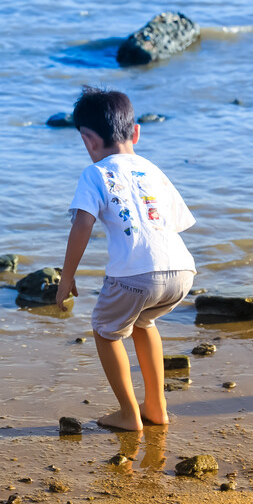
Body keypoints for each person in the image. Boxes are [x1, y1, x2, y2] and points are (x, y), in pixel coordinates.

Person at [56, 86, 196, 432]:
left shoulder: (96, 173)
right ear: (135, 132)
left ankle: (128, 413)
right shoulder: (152, 169)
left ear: (88, 141)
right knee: (144, 323)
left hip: (135, 276)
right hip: (182, 270)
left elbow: (82, 225)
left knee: (106, 330)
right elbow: (176, 222)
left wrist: (66, 277)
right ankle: (157, 407)